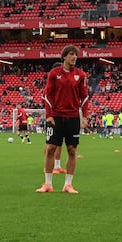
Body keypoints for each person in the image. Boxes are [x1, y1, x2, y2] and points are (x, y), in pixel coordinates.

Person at [37, 45, 89, 194]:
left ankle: (68, 185)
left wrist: (84, 116)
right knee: (50, 149)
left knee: (72, 150)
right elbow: (46, 95)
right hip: (56, 117)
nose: (74, 57)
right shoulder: (54, 73)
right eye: (71, 54)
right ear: (64, 56)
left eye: (76, 55)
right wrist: (49, 114)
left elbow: (84, 97)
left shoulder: (81, 75)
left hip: (73, 117)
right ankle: (47, 184)